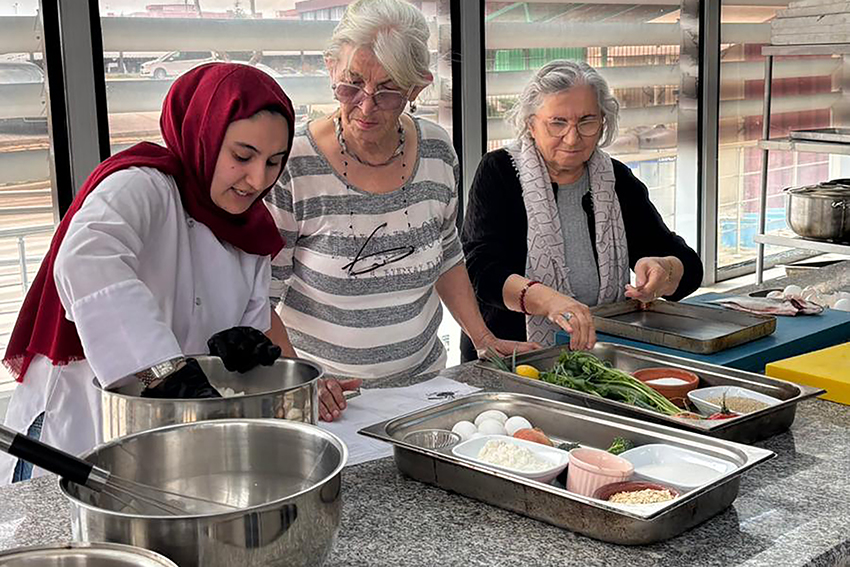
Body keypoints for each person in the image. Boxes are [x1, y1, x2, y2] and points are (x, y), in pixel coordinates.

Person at [0, 62, 297, 484]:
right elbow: (86, 259)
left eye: (273, 163)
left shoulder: (250, 228)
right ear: (203, 135)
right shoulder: (142, 186)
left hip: (168, 444)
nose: (257, 179)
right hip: (80, 426)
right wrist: (160, 369)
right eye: (242, 156)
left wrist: (238, 348)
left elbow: (239, 325)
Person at [265, 0, 536, 422]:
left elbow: (446, 253)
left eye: (389, 91)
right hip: (330, 400)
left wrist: (482, 337)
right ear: (331, 68)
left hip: (425, 389)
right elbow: (258, 297)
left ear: (418, 88)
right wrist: (298, 377)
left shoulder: (436, 151)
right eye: (350, 85)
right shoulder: (293, 165)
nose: (366, 106)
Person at [460, 60, 703, 361]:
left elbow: (689, 268)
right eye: (558, 122)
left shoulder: (616, 180)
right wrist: (548, 301)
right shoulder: (499, 172)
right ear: (531, 124)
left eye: (586, 122)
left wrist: (664, 270)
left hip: (597, 358)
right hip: (512, 353)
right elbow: (480, 271)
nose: (573, 138)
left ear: (603, 122)